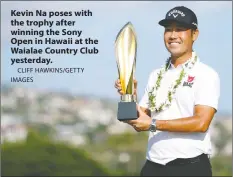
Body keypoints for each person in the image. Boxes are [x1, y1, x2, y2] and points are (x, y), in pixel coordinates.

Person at [114, 6, 220, 176]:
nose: (172, 35)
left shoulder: (205, 74)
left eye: (180, 29)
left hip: (190, 167)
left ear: (194, 34)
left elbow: (201, 123)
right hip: (153, 165)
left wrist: (154, 124)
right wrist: (129, 94)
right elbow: (139, 122)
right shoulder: (156, 75)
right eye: (168, 30)